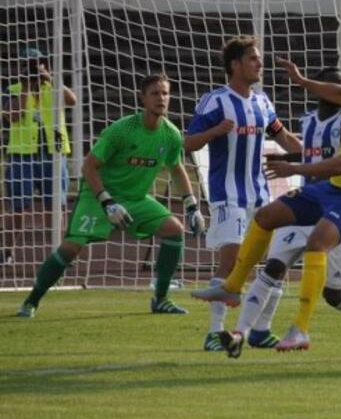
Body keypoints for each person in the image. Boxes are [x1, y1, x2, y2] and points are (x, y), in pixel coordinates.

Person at [192, 47, 341, 355]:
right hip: (328, 187)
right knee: (267, 218)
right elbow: (336, 92)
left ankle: (314, 328)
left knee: (330, 281)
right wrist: (302, 80)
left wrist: (294, 167)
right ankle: (235, 296)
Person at [16, 74, 205, 318]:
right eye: (155, 94)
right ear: (143, 98)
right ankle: (31, 301)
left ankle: (160, 299)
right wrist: (107, 202)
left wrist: (192, 206)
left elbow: (177, 168)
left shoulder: (171, 134)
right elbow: (89, 166)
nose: (161, 99)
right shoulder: (121, 130)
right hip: (98, 197)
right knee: (71, 248)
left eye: (165, 93)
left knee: (174, 229)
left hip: (136, 199)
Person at [184, 35, 301, 351]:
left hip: (260, 197)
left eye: (259, 58)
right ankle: (214, 332)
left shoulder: (262, 102)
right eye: (253, 58)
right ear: (234, 65)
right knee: (232, 262)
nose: (259, 64)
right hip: (228, 196)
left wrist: (312, 155)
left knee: (276, 262)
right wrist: (213, 132)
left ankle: (261, 330)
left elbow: (284, 136)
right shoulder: (216, 101)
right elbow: (188, 143)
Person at [2, 47, 76, 263]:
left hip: (52, 153)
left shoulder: (53, 87)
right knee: (18, 206)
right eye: (28, 64)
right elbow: (13, 116)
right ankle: (6, 251)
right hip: (22, 154)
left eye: (37, 63)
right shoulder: (12, 89)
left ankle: (59, 253)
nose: (33, 68)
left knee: (55, 205)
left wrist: (49, 78)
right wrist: (26, 87)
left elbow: (72, 100)